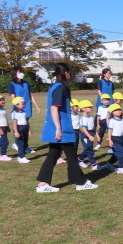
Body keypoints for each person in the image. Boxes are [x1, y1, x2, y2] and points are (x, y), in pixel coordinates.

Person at [36, 63, 98, 192]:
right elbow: (54, 108)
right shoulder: (59, 88)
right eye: (70, 72)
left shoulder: (55, 86)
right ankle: (80, 182)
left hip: (58, 127)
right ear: (65, 73)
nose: (72, 74)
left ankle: (42, 184)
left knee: (53, 155)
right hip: (61, 129)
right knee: (71, 155)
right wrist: (58, 128)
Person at [7, 67, 40, 154]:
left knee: (26, 127)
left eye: (21, 72)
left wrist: (36, 106)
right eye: (19, 72)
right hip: (18, 107)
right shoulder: (12, 84)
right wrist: (16, 107)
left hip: (27, 107)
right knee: (18, 126)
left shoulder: (26, 83)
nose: (21, 73)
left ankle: (25, 146)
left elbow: (30, 95)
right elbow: (13, 97)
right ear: (15, 74)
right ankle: (17, 144)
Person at [105, 104, 123, 174]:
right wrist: (110, 140)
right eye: (116, 110)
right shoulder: (112, 121)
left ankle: (109, 164)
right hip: (115, 139)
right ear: (112, 113)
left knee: (116, 153)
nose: (118, 111)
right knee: (121, 153)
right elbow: (110, 130)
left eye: (119, 110)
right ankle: (120, 167)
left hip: (122, 138)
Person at [77, 100, 103, 171]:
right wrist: (89, 136)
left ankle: (79, 160)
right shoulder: (83, 118)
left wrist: (97, 136)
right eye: (89, 107)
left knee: (87, 149)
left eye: (91, 107)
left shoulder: (91, 118)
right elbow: (84, 129)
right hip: (86, 136)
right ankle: (94, 164)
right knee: (89, 150)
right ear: (83, 109)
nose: (91, 108)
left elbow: (93, 128)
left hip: (91, 134)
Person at [11, 97, 31, 163]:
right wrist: (16, 132)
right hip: (19, 129)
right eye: (22, 104)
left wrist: (29, 130)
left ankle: (22, 156)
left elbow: (27, 122)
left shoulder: (24, 113)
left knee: (25, 142)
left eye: (24, 104)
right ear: (16, 105)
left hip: (25, 129)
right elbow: (14, 123)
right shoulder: (14, 113)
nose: (24, 105)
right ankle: (21, 157)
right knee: (21, 144)